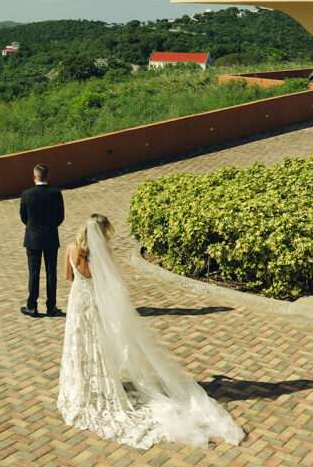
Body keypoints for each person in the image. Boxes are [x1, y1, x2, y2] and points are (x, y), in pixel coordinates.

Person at [58, 214, 244, 449]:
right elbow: (111, 282)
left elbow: (67, 276)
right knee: (97, 344)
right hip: (95, 304)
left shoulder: (71, 248)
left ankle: (82, 388)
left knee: (79, 344)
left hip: (77, 303)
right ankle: (104, 383)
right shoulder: (105, 255)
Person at [19, 163, 65, 318]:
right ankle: (51, 307)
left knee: (34, 272)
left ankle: (32, 306)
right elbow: (60, 217)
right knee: (51, 273)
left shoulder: (26, 194)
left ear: (34, 177)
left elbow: (23, 217)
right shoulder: (56, 193)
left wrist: (33, 227)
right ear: (48, 176)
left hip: (32, 239)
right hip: (51, 237)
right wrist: (50, 226)